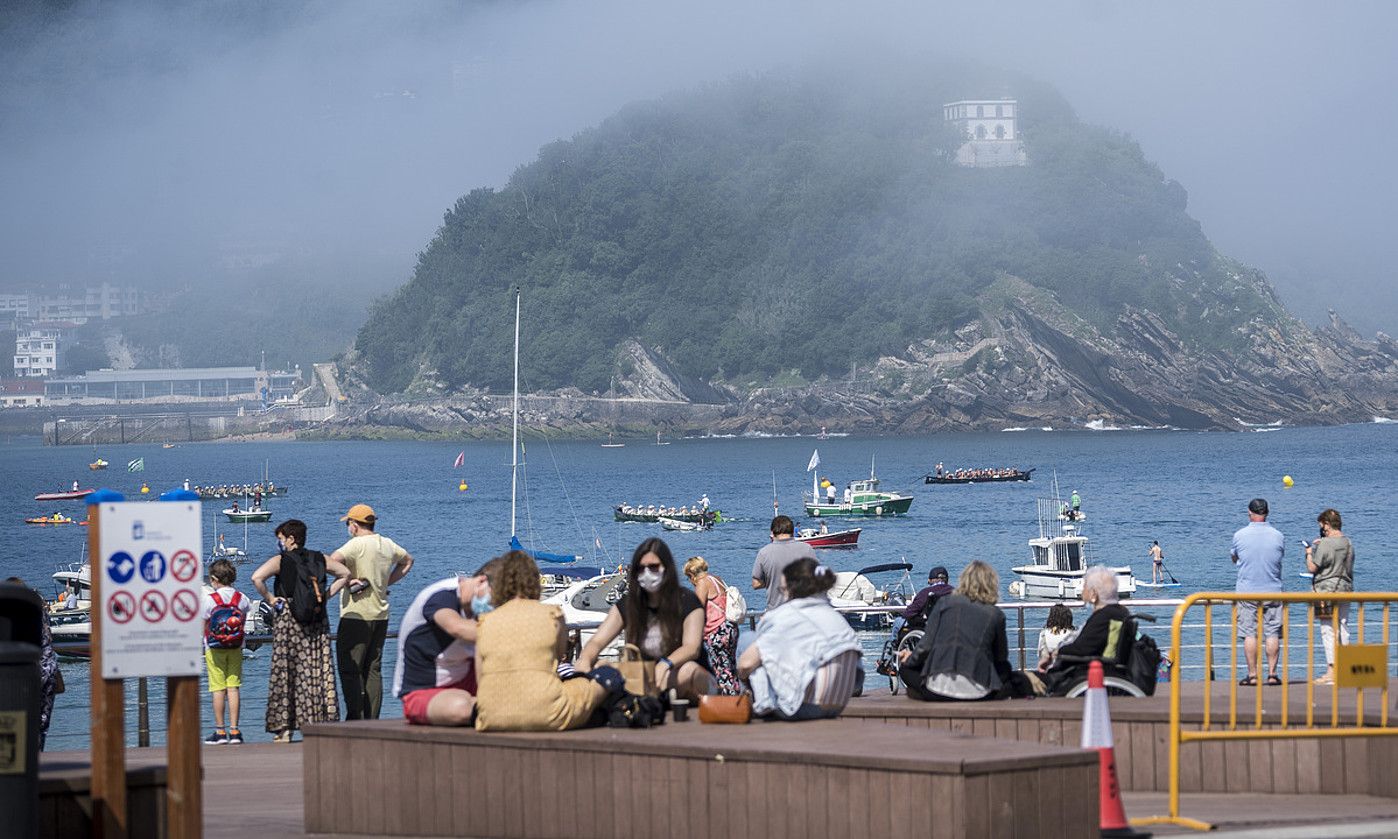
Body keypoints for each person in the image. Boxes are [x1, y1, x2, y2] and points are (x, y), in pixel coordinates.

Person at [475, 551, 613, 731]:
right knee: (609, 673)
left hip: (491, 716)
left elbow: (481, 677)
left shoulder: (484, 622)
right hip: (548, 712)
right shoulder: (552, 614)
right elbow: (558, 657)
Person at [576, 538, 715, 700]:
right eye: (641, 568)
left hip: (684, 673)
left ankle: (661, 695)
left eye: (654, 567)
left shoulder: (688, 601)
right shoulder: (629, 604)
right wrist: (585, 660)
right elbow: (597, 641)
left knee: (689, 670)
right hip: (645, 675)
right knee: (602, 666)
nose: (647, 573)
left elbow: (692, 648)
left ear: (667, 568)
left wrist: (665, 664)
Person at [251, 519, 351, 742]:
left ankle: (284, 728)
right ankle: (319, 724)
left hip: (288, 618)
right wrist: (326, 596)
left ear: (291, 539)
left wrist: (270, 598)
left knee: (286, 669)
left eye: (281, 539)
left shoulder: (281, 560)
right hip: (316, 619)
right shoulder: (320, 558)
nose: (280, 543)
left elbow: (256, 577)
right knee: (316, 669)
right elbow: (345, 574)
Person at [738, 559, 862, 720]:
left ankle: (753, 703)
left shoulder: (786, 615)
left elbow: (745, 665)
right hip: (838, 704)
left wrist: (743, 678)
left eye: (781, 590)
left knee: (748, 639)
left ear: (790, 588)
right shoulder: (835, 616)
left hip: (802, 708)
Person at [897, 560, 1031, 701]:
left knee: (905, 669)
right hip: (980, 692)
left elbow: (925, 646)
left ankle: (923, 695)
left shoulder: (944, 604)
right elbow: (1001, 658)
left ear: (963, 581)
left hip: (938, 690)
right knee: (1006, 672)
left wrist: (910, 659)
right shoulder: (996, 614)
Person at [329, 503, 415, 720]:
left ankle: (355, 716)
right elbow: (408, 561)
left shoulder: (355, 545)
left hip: (355, 614)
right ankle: (372, 717)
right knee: (373, 669)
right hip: (381, 614)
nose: (348, 528)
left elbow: (330, 561)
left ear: (355, 525)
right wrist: (386, 584)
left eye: (348, 523)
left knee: (350, 668)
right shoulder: (386, 543)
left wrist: (347, 579)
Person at [393, 560, 500, 726]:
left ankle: (491, 706)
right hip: (426, 690)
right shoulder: (442, 596)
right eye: (495, 599)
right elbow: (456, 627)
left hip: (470, 682)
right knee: (460, 709)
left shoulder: (482, 611)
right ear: (481, 581)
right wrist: (512, 631)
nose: (494, 606)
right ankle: (491, 708)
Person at [1044, 567, 1134, 694]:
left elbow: (1083, 649)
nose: (1082, 590)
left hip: (1081, 675)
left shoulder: (1103, 617)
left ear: (1093, 594)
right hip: (1102, 671)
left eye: (1084, 586)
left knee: (1026, 681)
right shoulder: (1120, 612)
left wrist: (1057, 652)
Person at [1231, 498, 1284, 686]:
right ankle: (1272, 674)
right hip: (1273, 590)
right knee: (1272, 633)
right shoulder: (1278, 535)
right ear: (1267, 512)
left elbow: (1234, 556)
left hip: (1247, 592)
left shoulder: (1239, 535)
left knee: (1249, 633)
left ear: (1249, 512)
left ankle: (1253, 675)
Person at [202, 559, 251, 745]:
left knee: (217, 689)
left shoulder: (209, 599)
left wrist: (206, 639)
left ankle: (220, 731)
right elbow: (243, 618)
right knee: (233, 687)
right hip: (236, 647)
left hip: (214, 649)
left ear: (214, 579)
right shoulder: (241, 598)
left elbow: (203, 622)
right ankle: (235, 730)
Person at [6, 577, 58, 750]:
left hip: (25, 677)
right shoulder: (38, 610)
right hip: (48, 672)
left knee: (17, 731)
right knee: (38, 731)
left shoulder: (15, 614)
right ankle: (34, 766)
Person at [1306, 508, 1354, 685]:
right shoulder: (1348, 543)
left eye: (1322, 526)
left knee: (1328, 629)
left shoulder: (1324, 544)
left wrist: (1309, 553)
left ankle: (1331, 671)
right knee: (1343, 627)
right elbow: (1348, 568)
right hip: (1345, 588)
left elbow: (1312, 568)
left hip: (1325, 591)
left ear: (1326, 524)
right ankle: (1345, 668)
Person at [683, 556, 741, 695]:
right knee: (731, 668)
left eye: (688, 577)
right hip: (729, 628)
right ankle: (737, 700)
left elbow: (697, 609)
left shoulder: (702, 583)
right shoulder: (716, 579)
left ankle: (728, 705)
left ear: (692, 575)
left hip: (716, 632)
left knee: (721, 671)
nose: (690, 582)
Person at [751, 515, 817, 611]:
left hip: (776, 615)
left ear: (772, 533)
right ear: (792, 531)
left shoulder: (764, 553)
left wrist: (773, 579)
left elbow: (755, 583)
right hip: (804, 614)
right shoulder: (807, 549)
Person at [895, 565, 953, 637]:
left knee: (898, 621)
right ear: (947, 579)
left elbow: (910, 612)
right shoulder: (956, 592)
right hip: (951, 625)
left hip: (928, 626)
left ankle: (894, 645)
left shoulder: (925, 593)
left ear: (931, 580)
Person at [1036, 604, 1076, 671]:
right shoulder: (1072, 634)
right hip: (1068, 669)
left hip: (1049, 669)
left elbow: (1040, 653)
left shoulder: (1044, 633)